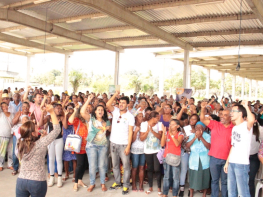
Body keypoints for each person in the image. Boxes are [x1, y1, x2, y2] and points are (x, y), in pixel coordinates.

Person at [16, 104, 61, 197]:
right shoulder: (40, 144)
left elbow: (29, 144)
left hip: (21, 180)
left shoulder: (19, 143)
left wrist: (42, 137)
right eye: (36, 128)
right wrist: (52, 112)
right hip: (37, 182)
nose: (38, 128)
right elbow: (57, 130)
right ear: (33, 133)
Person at [200, 101, 233, 197]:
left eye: (225, 115)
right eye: (221, 114)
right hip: (214, 158)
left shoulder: (234, 128)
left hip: (227, 160)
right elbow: (202, 119)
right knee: (214, 181)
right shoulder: (215, 124)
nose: (222, 116)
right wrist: (202, 108)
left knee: (224, 182)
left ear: (230, 117)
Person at [224, 101, 255, 197]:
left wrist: (246, 106)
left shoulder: (246, 126)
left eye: (234, 111)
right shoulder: (234, 128)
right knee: (231, 191)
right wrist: (227, 162)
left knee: (243, 192)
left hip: (242, 164)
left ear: (241, 113)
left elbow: (251, 120)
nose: (231, 113)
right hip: (232, 162)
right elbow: (233, 145)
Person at [106, 91, 135, 195]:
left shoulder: (130, 116)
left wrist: (128, 146)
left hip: (124, 145)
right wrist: (115, 95)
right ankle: (117, 182)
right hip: (113, 143)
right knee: (115, 165)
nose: (121, 104)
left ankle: (126, 185)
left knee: (126, 166)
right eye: (120, 102)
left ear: (128, 104)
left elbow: (131, 132)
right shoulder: (115, 111)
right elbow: (108, 104)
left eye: (123, 103)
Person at [80, 94, 110, 192]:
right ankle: (92, 183)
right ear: (95, 112)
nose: (100, 111)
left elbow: (109, 130)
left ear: (104, 112)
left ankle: (102, 183)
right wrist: (88, 100)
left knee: (102, 166)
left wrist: (106, 127)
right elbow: (82, 112)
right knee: (92, 166)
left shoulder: (107, 121)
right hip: (91, 146)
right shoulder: (91, 119)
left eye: (102, 110)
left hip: (103, 146)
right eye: (99, 110)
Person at [140, 111, 162, 196]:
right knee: (149, 169)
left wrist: (152, 131)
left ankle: (159, 188)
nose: (158, 119)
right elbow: (141, 138)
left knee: (157, 169)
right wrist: (147, 131)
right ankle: (150, 187)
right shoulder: (144, 124)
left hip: (157, 150)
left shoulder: (159, 124)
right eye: (157, 117)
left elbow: (160, 137)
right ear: (153, 118)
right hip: (147, 150)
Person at [186, 122, 211, 197]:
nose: (198, 129)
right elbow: (187, 146)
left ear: (204, 129)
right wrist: (194, 138)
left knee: (205, 177)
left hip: (204, 160)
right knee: (192, 177)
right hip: (193, 160)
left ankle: (204, 194)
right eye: (197, 128)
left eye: (200, 128)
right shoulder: (192, 136)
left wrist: (201, 138)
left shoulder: (207, 136)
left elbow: (209, 147)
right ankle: (191, 194)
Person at [69, 103, 89, 192]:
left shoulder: (88, 121)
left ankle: (80, 180)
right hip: (79, 146)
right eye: (85, 110)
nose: (86, 112)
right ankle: (76, 183)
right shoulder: (77, 120)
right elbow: (70, 120)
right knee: (80, 164)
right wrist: (75, 110)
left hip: (87, 146)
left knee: (84, 165)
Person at [161, 119, 184, 197]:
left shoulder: (180, 134)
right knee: (166, 177)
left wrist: (172, 135)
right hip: (166, 157)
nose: (171, 126)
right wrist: (164, 134)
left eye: (173, 124)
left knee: (175, 177)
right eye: (170, 124)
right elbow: (162, 144)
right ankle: (165, 193)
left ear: (178, 126)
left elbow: (177, 144)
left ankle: (174, 194)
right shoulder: (167, 133)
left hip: (175, 158)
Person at [11, 102, 31, 175]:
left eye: (27, 107)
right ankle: (15, 168)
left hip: (26, 134)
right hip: (17, 134)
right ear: (22, 107)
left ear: (29, 108)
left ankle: (23, 168)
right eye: (24, 106)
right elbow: (13, 122)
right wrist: (18, 115)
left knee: (25, 151)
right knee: (15, 151)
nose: (25, 108)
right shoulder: (19, 113)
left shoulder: (31, 114)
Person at [0, 91, 15, 171]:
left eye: (6, 106)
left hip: (11, 135)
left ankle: (10, 164)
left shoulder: (12, 114)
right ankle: (0, 164)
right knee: (2, 151)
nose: (5, 107)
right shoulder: (1, 114)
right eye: (3, 107)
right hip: (3, 135)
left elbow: (14, 123)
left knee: (11, 151)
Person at [62, 104, 77, 182]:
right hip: (66, 139)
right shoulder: (64, 117)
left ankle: (74, 175)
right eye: (68, 108)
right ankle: (67, 174)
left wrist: (74, 112)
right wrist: (65, 115)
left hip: (74, 138)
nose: (70, 110)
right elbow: (65, 126)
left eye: (71, 108)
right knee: (66, 159)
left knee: (74, 158)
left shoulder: (75, 117)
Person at [130, 113, 145, 192]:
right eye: (140, 116)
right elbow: (132, 140)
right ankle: (133, 184)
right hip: (135, 149)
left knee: (142, 167)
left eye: (142, 116)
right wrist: (135, 132)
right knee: (135, 168)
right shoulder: (133, 126)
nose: (141, 118)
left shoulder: (144, 126)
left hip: (143, 149)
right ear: (136, 117)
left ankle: (141, 185)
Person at [249, 112, 261, 197]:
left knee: (250, 179)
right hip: (243, 157)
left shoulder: (260, 129)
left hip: (254, 158)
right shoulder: (243, 128)